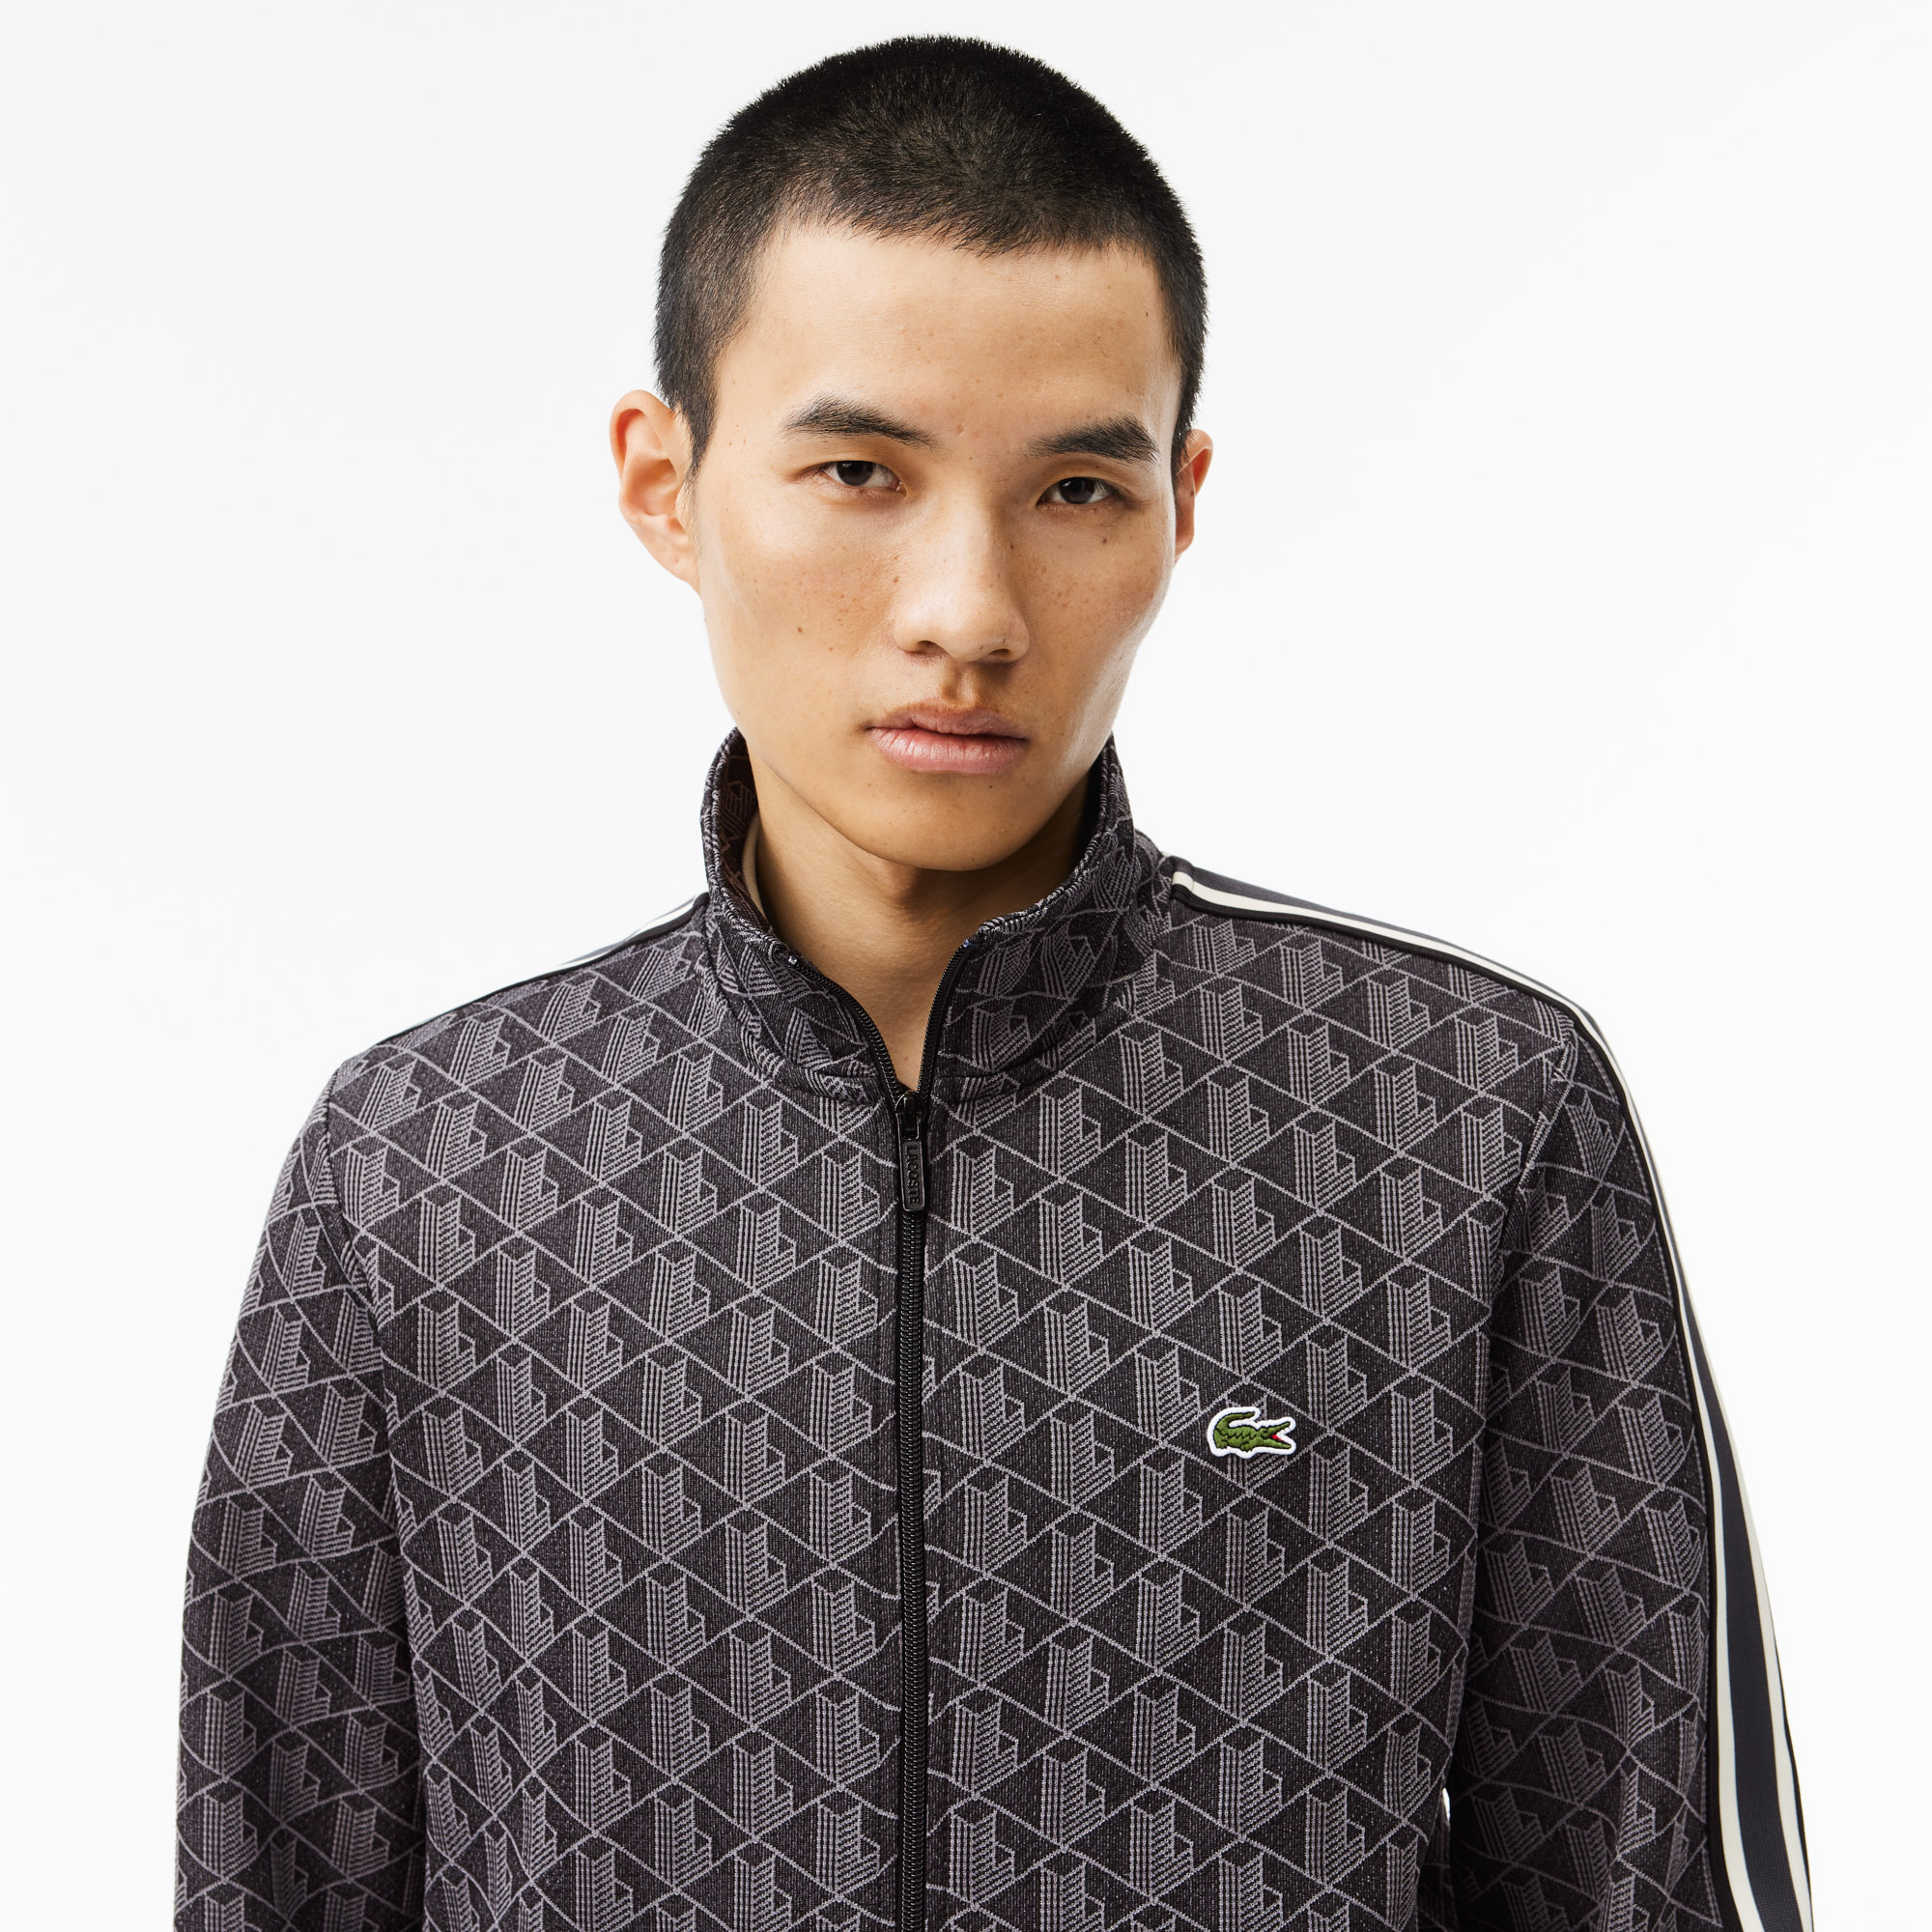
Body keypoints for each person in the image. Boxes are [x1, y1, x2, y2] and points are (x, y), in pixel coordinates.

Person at [175, 36, 1811, 1932]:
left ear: (1181, 502)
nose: (966, 608)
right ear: (666, 482)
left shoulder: (1464, 1113)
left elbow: (1645, 1881)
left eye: (1076, 490)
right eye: (858, 471)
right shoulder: (427, 1164)